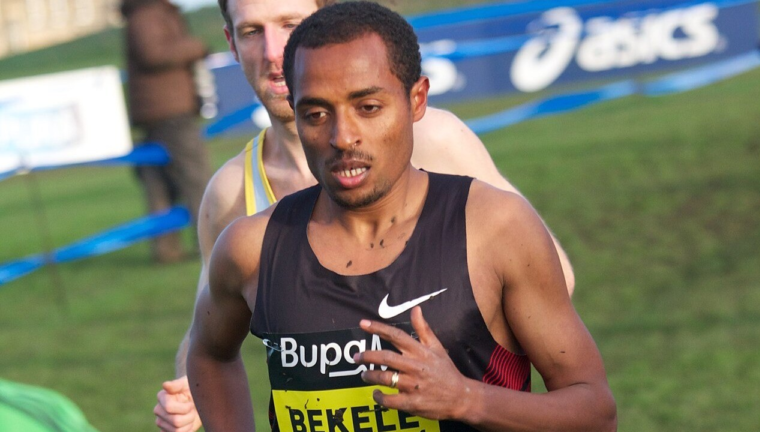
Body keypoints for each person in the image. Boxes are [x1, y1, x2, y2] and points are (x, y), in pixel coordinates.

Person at [186, 2, 616, 431]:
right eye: (316, 114)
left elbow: (596, 413)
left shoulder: (495, 226)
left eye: (368, 107)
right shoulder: (251, 247)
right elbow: (208, 355)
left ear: (416, 100)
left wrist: (467, 400)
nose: (342, 137)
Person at [121, 0, 212, 263]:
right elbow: (153, 54)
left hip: (158, 111)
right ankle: (209, 242)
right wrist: (196, 47)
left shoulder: (144, 12)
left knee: (159, 184)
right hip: (170, 112)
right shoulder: (148, 14)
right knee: (196, 179)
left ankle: (166, 249)